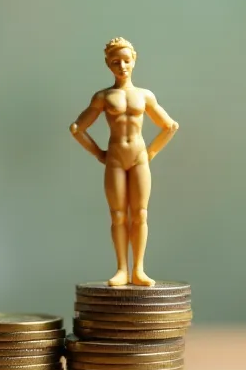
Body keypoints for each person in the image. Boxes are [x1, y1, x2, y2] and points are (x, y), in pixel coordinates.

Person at [69, 37, 180, 287]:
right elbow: (77, 128)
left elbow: (170, 126)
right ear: (108, 64)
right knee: (118, 215)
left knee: (140, 213)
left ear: (135, 60)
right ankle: (122, 269)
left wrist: (151, 152)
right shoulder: (103, 97)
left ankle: (139, 269)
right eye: (116, 62)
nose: (122, 66)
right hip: (116, 159)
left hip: (139, 157)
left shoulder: (145, 96)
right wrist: (99, 153)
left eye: (126, 61)